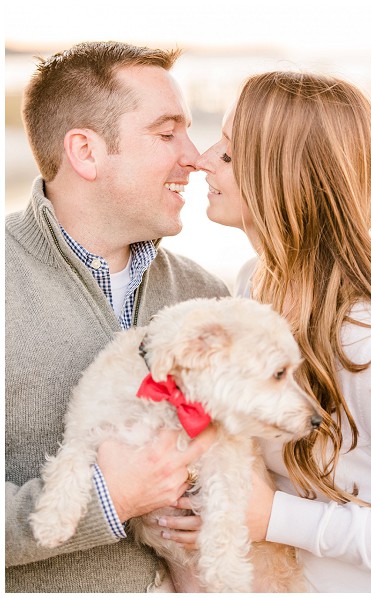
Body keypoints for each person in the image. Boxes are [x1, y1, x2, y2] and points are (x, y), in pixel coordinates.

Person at [155, 71, 371, 592]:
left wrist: (272, 520)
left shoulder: (366, 330)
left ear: (286, 175)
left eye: (230, 149)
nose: (201, 159)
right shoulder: (254, 284)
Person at [5, 41, 228, 592]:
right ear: (86, 151)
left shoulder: (206, 295)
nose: (194, 155)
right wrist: (109, 498)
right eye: (166, 131)